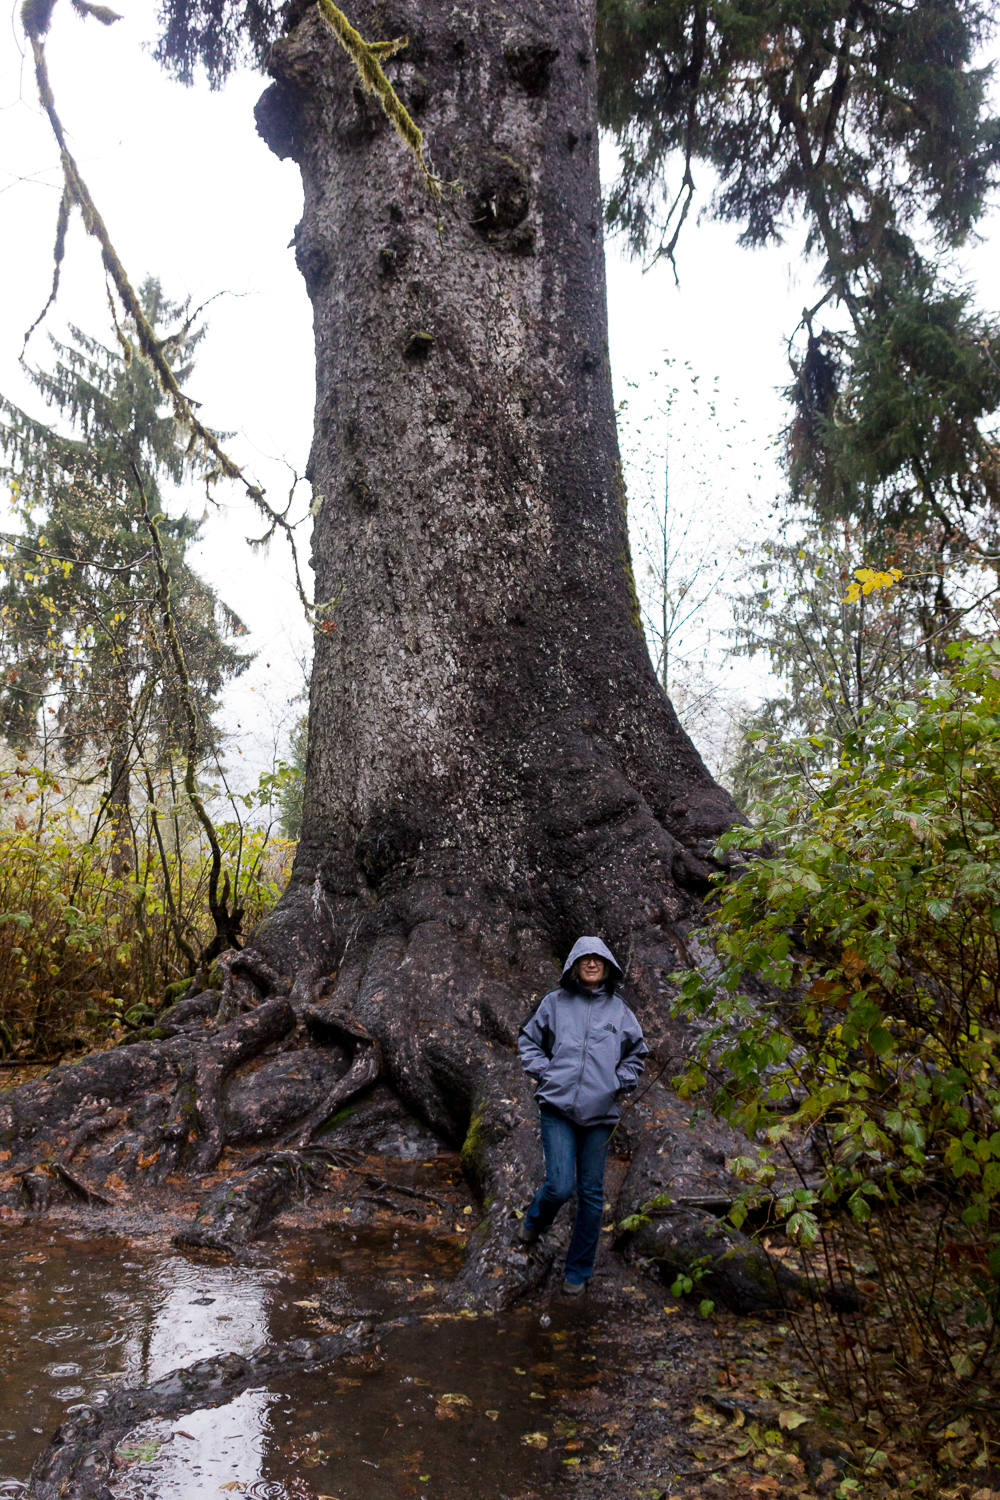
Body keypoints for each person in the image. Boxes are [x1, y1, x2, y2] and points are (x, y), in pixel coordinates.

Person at [517, 936, 648, 1295]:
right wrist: (545, 1072)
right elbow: (529, 1040)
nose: (591, 964)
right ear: (574, 965)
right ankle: (533, 1221)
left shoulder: (620, 1012)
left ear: (607, 966)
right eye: (585, 959)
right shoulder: (555, 1003)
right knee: (560, 1186)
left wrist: (617, 1082)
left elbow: (637, 1055)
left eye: (598, 959)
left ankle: (577, 1271)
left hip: (600, 1114)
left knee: (591, 1194)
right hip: (557, 1108)